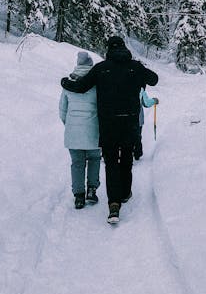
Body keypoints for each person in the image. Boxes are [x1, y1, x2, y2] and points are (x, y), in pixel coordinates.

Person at [61, 36, 158, 224]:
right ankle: (124, 193)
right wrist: (138, 74)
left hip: (108, 125)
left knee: (111, 162)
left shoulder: (101, 68)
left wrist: (65, 82)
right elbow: (154, 79)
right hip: (130, 123)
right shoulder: (135, 67)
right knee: (127, 159)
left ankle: (113, 204)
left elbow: (80, 87)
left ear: (108, 50)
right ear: (124, 48)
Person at [59, 51, 101, 209]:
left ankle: (78, 196)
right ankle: (91, 190)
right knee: (94, 160)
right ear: (90, 65)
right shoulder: (96, 83)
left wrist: (69, 124)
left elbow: (62, 110)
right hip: (94, 130)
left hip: (73, 132)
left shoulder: (68, 84)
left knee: (77, 163)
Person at [134, 89, 159, 160]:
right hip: (137, 118)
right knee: (137, 135)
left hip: (124, 117)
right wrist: (154, 101)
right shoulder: (140, 89)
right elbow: (146, 103)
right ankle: (137, 153)